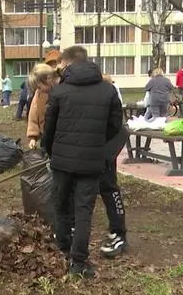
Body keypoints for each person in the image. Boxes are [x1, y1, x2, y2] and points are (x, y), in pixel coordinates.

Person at [42, 46, 123, 278]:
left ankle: (63, 250)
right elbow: (115, 125)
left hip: (62, 163)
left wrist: (51, 151)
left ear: (68, 64)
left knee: (61, 206)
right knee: (84, 210)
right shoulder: (107, 91)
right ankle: (79, 262)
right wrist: (96, 143)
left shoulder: (60, 92)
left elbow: (49, 129)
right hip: (91, 162)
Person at [99, 74, 129, 258]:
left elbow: (115, 123)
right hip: (101, 145)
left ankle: (119, 233)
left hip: (107, 146)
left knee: (109, 188)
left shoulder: (107, 92)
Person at [26, 63, 59, 149]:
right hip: (46, 140)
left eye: (39, 87)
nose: (38, 90)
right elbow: (33, 116)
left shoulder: (64, 91)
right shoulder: (39, 94)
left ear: (48, 79)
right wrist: (33, 137)